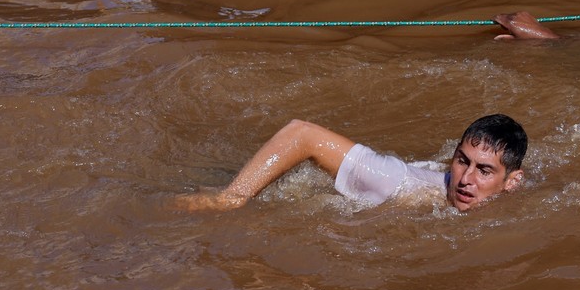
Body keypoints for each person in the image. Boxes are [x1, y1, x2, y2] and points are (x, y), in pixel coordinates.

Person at [174, 114, 528, 212]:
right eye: (461, 161)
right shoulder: (395, 181)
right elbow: (301, 134)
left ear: (512, 182)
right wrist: (231, 198)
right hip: (286, 194)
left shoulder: (512, 198)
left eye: (483, 171)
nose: (465, 179)